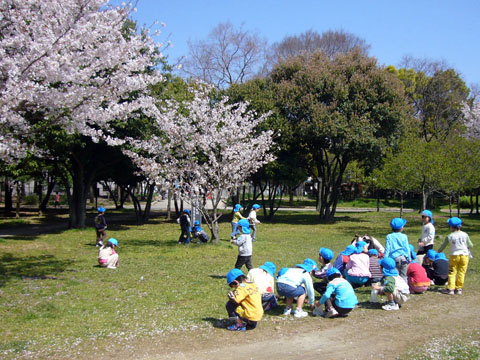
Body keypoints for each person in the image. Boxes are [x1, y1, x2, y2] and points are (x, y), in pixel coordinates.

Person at [437, 217, 474, 295]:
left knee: (452, 272)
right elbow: (471, 245)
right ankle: (459, 288)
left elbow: (443, 245)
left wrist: (439, 250)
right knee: (461, 272)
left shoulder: (450, 236)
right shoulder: (465, 235)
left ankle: (450, 288)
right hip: (464, 256)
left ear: (451, 227)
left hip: (454, 256)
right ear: (460, 226)